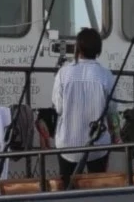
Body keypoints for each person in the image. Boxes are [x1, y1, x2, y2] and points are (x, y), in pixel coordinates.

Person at [51, 27, 115, 186]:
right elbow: (112, 110)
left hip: (68, 144)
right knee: (98, 187)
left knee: (67, 187)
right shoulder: (106, 75)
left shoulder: (63, 73)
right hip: (98, 145)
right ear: (98, 50)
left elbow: (58, 108)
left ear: (78, 48)